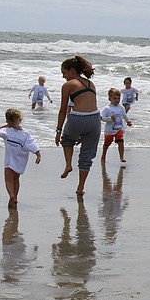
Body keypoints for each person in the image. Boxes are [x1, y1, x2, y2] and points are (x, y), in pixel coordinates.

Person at [55, 55, 100, 196]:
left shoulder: (68, 85)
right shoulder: (91, 84)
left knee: (67, 140)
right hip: (94, 120)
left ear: (72, 71)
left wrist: (58, 131)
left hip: (77, 118)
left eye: (64, 73)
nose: (63, 76)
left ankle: (68, 165)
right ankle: (80, 188)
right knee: (86, 157)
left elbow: (63, 110)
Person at [0, 108, 41, 208]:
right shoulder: (25, 134)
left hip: (9, 161)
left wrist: (5, 125)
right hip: (20, 161)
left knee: (8, 180)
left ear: (8, 121)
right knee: (16, 179)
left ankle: (11, 195)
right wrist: (38, 155)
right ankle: (15, 197)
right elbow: (32, 144)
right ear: (20, 119)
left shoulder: (6, 131)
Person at [100, 88, 132, 163]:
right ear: (109, 99)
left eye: (118, 98)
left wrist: (128, 121)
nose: (117, 100)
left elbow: (124, 115)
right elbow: (102, 118)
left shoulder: (121, 107)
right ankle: (103, 156)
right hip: (109, 130)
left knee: (120, 141)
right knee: (107, 144)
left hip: (119, 129)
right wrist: (110, 118)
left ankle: (121, 157)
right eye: (114, 98)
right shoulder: (107, 109)